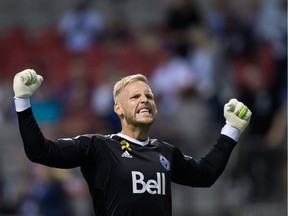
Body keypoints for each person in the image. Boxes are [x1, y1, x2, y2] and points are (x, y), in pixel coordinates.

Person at [13, 69, 252, 216]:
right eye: (135, 96)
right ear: (118, 108)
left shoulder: (166, 153)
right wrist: (23, 101)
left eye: (149, 96)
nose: (144, 100)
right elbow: (40, 151)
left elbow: (204, 175)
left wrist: (231, 130)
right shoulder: (98, 148)